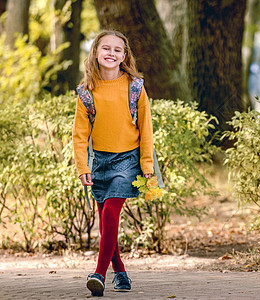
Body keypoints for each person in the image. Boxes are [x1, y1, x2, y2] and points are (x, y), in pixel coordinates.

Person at [72, 30, 154, 297]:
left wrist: (146, 165)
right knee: (106, 223)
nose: (111, 53)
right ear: (95, 52)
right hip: (100, 162)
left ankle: (98, 274)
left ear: (124, 56)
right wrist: (83, 167)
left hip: (127, 160)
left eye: (117, 50)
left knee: (110, 214)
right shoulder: (86, 93)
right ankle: (120, 272)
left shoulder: (135, 87)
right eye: (105, 48)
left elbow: (146, 129)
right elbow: (80, 135)